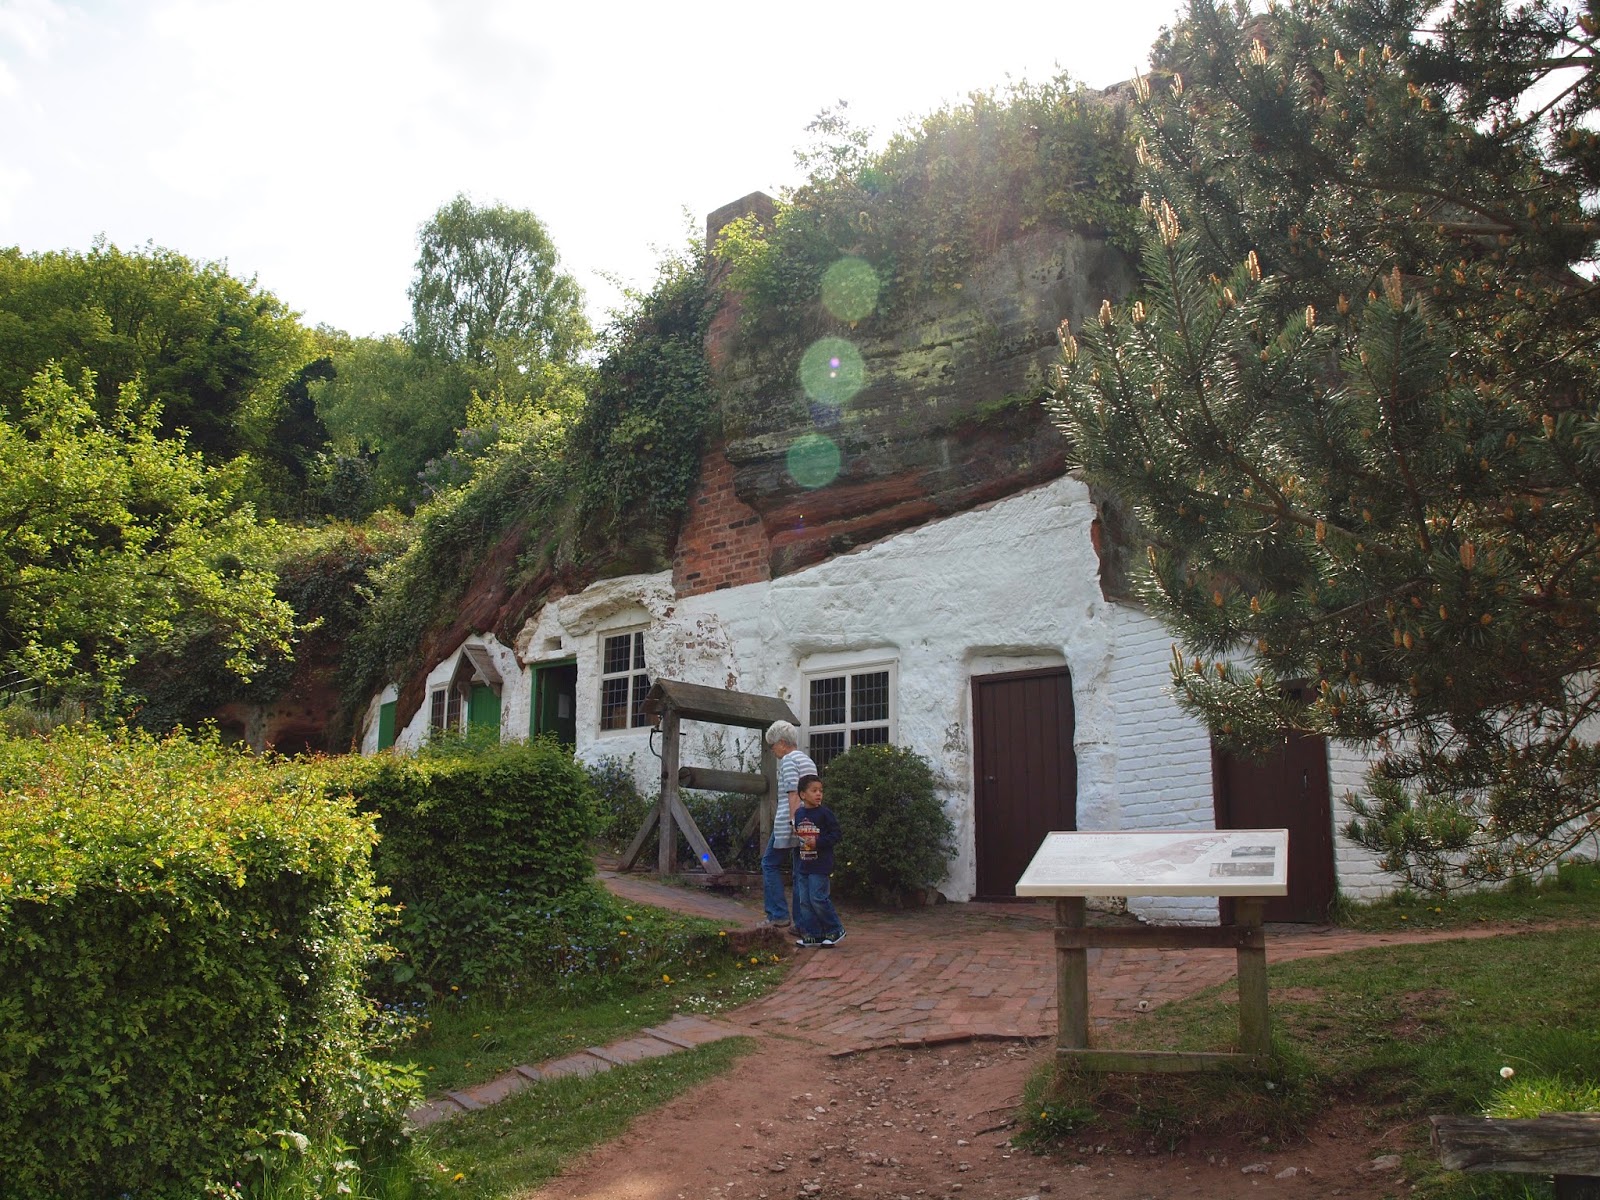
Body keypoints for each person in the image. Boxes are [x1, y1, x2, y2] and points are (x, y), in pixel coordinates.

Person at [760, 720, 815, 928]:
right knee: (800, 872)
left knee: (769, 863)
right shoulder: (808, 761)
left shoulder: (789, 761)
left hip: (789, 822)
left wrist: (794, 821)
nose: (773, 750)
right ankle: (801, 923)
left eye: (773, 746)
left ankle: (778, 914)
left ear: (782, 743)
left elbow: (793, 793)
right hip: (809, 820)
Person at [791, 774, 845, 947]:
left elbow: (836, 834)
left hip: (820, 864)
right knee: (804, 901)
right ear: (802, 795)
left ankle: (835, 929)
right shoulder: (799, 813)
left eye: (821, 791)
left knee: (818, 898)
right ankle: (814, 934)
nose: (818, 794)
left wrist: (819, 842)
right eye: (814, 791)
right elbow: (800, 833)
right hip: (804, 863)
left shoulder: (825, 813)